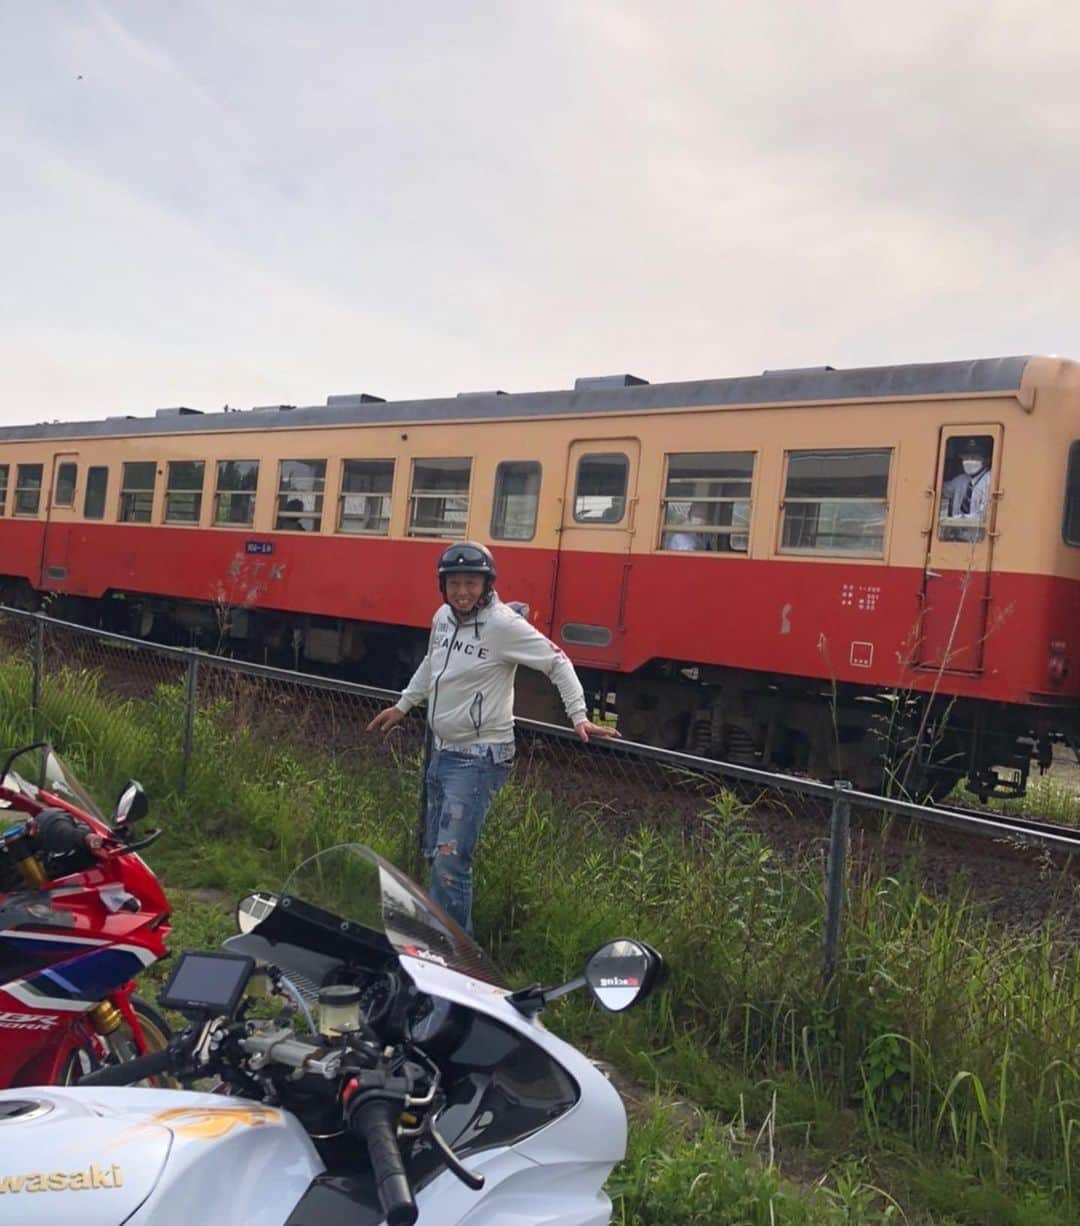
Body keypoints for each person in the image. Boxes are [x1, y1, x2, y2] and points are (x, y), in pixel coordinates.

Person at [366, 541, 619, 933]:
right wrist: (403, 706)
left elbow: (557, 661)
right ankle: (442, 941)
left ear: (487, 585)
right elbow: (433, 663)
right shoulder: (443, 619)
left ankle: (455, 955)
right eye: (454, 584)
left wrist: (579, 717)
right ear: (443, 586)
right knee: (438, 852)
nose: (462, 591)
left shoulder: (503, 625)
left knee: (452, 860)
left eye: (471, 583)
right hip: (441, 749)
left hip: (478, 756)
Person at [940, 438, 992, 541]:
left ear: (987, 460)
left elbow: (985, 515)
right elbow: (941, 491)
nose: (969, 460)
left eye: (974, 457)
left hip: (979, 542)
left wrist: (959, 520)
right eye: (966, 456)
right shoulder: (961, 480)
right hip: (956, 540)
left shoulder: (990, 480)